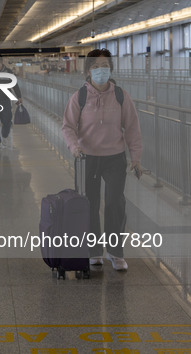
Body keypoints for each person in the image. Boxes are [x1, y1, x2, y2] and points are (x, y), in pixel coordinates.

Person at [62, 48, 143, 271]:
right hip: (87, 157)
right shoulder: (79, 96)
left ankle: (115, 253)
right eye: (96, 67)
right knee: (89, 204)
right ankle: (93, 251)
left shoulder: (121, 96)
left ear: (111, 70)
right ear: (88, 71)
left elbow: (133, 128)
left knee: (115, 203)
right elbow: (68, 126)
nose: (101, 71)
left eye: (105, 66)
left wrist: (135, 157)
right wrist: (74, 147)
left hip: (114, 158)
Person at [0, 54, 22, 149]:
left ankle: (5, 135)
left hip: (5, 100)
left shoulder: (8, 72)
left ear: (0, 61)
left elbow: (15, 85)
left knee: (7, 120)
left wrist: (19, 96)